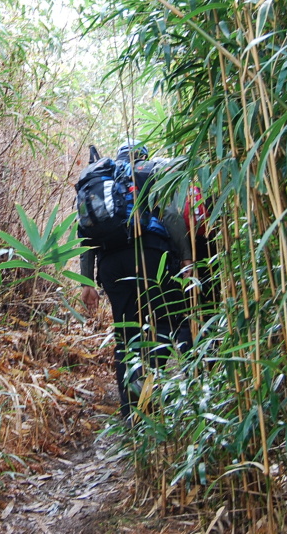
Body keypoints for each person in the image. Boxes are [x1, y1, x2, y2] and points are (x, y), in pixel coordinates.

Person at [78, 141, 194, 418]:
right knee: (165, 320)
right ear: (143, 156)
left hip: (110, 264)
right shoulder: (147, 172)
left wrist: (86, 282)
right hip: (151, 254)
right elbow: (170, 215)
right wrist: (187, 257)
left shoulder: (98, 181)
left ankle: (130, 411)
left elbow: (84, 232)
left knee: (125, 334)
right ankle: (148, 385)